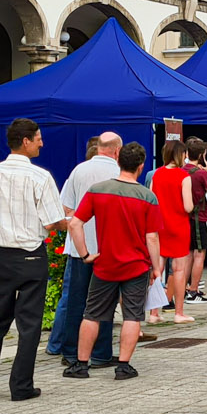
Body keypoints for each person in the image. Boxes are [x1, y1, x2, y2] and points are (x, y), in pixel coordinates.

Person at [0, 118, 75, 402]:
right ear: (26, 141)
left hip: (1, 255)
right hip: (31, 255)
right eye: (39, 137)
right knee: (29, 324)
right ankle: (21, 385)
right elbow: (53, 222)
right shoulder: (40, 177)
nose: (42, 142)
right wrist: (71, 222)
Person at [65, 141, 158, 381]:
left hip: (105, 264)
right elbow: (152, 237)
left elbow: (75, 223)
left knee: (92, 314)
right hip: (136, 265)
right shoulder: (147, 196)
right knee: (132, 315)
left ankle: (81, 364)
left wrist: (85, 254)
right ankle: (124, 366)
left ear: (118, 161)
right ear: (141, 166)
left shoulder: (98, 190)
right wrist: (156, 267)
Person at [46, 132, 121, 366]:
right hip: (109, 248)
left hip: (80, 248)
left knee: (76, 301)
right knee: (105, 303)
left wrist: (80, 225)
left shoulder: (79, 170)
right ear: (117, 150)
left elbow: (66, 208)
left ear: (98, 148)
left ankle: (70, 352)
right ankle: (101, 353)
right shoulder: (120, 173)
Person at [150, 140, 196, 324]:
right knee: (179, 270)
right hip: (179, 226)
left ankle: (153, 313)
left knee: (158, 269)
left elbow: (151, 201)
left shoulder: (156, 175)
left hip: (160, 226)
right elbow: (187, 206)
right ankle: (179, 312)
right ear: (180, 154)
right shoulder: (184, 176)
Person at [182, 138, 207, 304]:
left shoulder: (181, 171)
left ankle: (184, 288)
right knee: (199, 254)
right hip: (201, 216)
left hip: (185, 217)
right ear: (202, 155)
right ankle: (193, 291)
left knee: (187, 254)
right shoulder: (201, 173)